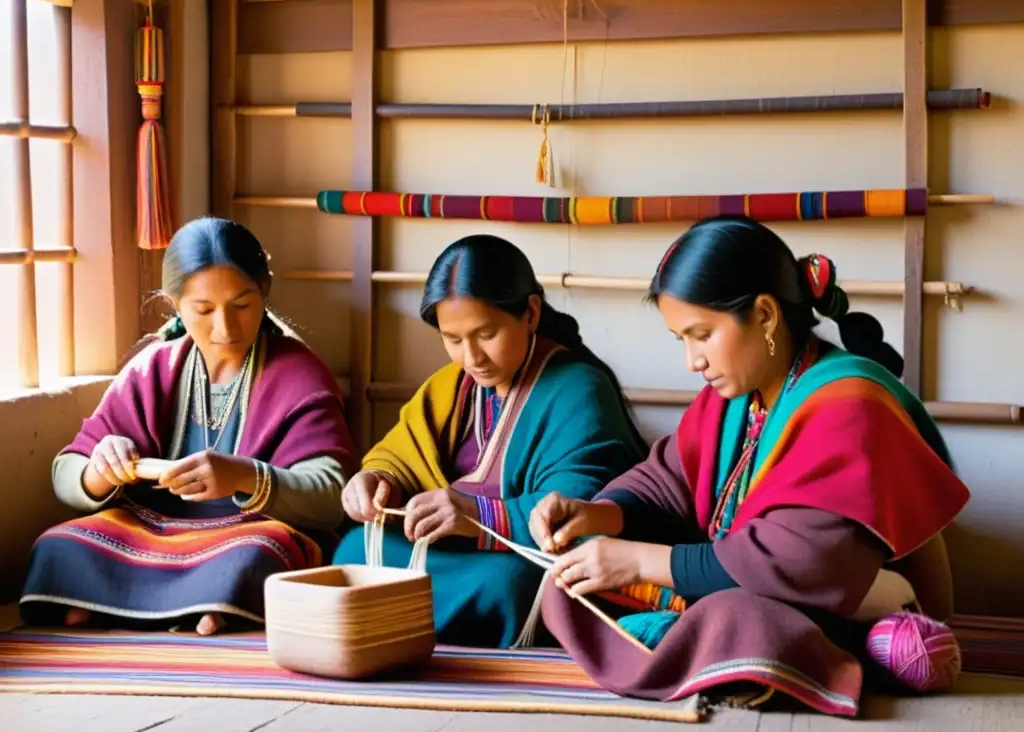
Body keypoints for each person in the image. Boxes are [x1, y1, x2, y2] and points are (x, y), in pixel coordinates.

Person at [531, 216, 970, 716]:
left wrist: (635, 561)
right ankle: (689, 639)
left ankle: (699, 642)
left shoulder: (850, 403)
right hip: (760, 580)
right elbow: (669, 477)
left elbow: (803, 560)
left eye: (702, 335)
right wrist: (597, 513)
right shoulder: (739, 392)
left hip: (857, 601)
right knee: (566, 581)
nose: (692, 361)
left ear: (764, 315)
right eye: (682, 340)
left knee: (739, 618)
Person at [20, 217, 359, 636]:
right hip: (152, 528)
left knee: (258, 555)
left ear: (265, 291)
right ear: (173, 304)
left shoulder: (299, 373)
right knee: (59, 543)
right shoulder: (153, 368)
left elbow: (332, 494)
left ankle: (110, 605)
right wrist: (97, 470)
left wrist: (243, 476)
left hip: (247, 531)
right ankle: (205, 606)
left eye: (242, 305)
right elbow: (65, 473)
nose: (225, 328)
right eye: (203, 310)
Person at [333, 234, 647, 648]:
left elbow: (584, 504)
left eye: (486, 333)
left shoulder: (579, 388)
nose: (471, 357)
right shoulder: (449, 385)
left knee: (518, 584)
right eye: (453, 339)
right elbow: (399, 457)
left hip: (525, 556)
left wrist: (479, 515)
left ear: (530, 312)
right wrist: (376, 481)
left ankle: (402, 619)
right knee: (353, 549)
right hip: (452, 556)